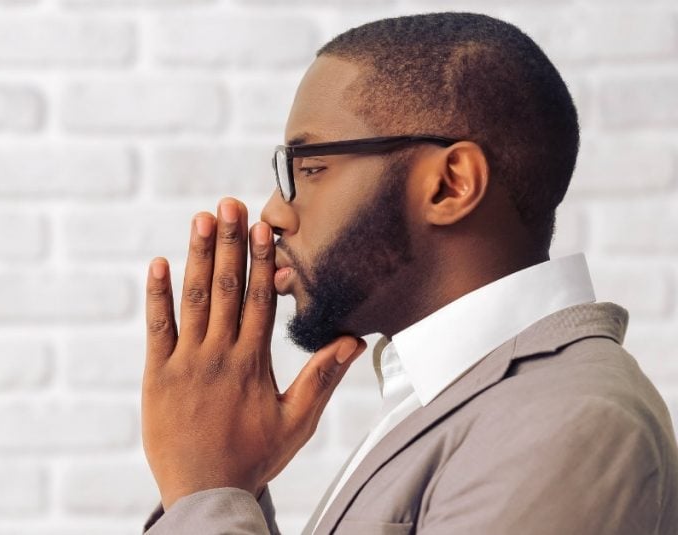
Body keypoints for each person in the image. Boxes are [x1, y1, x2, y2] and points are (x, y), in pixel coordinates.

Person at [139, 12, 678, 535]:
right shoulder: (462, 398)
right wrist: (232, 486)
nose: (275, 212)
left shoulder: (569, 423)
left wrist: (203, 490)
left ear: (450, 185)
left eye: (309, 168)